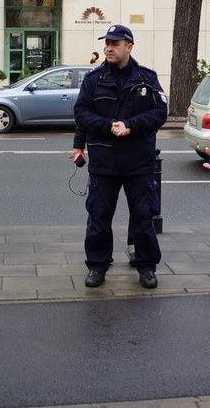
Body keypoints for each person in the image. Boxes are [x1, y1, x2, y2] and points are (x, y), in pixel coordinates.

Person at [74, 24, 167, 289]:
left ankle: (146, 266)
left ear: (129, 47)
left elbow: (159, 113)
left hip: (139, 162)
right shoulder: (94, 79)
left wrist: (130, 124)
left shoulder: (146, 78)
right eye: (107, 43)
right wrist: (108, 126)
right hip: (104, 163)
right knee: (99, 218)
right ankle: (97, 266)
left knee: (143, 217)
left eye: (115, 43)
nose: (109, 48)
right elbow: (81, 112)